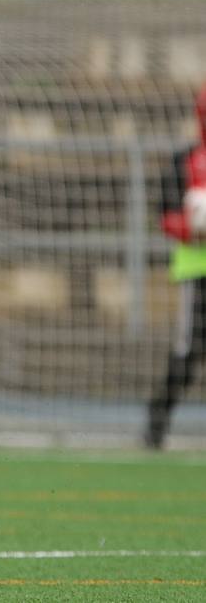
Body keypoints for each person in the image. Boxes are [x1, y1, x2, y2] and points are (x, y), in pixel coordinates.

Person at [146, 83, 206, 449]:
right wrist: (193, 227)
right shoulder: (184, 160)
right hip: (195, 272)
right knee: (188, 352)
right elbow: (165, 217)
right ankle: (155, 424)